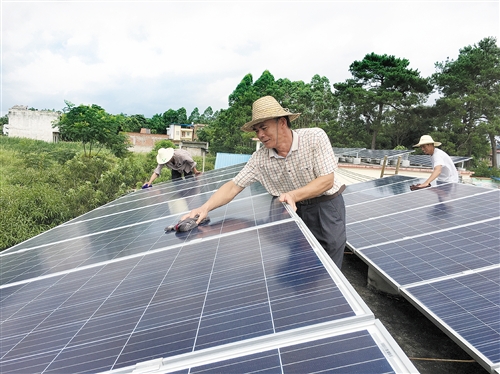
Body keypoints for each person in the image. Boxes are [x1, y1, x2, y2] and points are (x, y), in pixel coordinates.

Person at [182, 96, 346, 269]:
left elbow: (327, 180)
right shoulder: (260, 159)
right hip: (290, 209)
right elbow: (233, 186)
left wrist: (293, 195)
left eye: (264, 128)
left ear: (282, 122)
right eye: (256, 130)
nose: (260, 135)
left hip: (324, 206)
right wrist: (205, 208)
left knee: (329, 257)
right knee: (298, 257)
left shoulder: (314, 138)